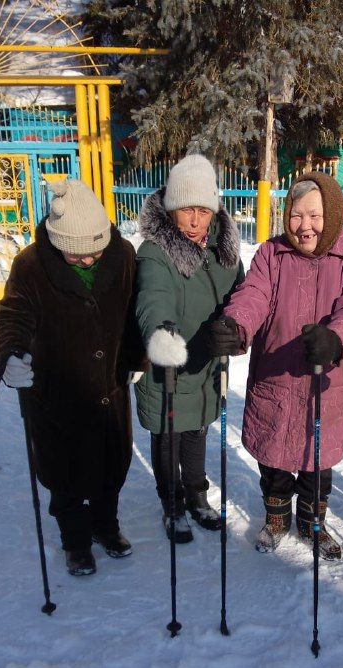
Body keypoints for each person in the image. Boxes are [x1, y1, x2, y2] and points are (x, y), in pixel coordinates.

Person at [209, 171, 343, 560]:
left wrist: (335, 338)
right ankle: (276, 518)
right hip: (276, 376)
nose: (305, 226)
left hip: (324, 377)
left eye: (314, 215)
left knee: (317, 462)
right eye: (297, 215)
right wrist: (236, 325)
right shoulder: (272, 253)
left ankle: (312, 523)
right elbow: (254, 295)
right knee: (274, 456)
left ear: (331, 213)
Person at [0, 179, 145, 576]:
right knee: (64, 475)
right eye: (78, 255)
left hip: (109, 387)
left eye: (96, 250)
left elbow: (134, 312)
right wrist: (10, 354)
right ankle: (75, 542)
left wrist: (142, 353)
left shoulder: (123, 254)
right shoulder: (31, 264)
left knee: (111, 466)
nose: (90, 260)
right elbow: (11, 315)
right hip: (56, 394)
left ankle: (106, 528)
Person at [133, 154, 243, 543]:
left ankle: (196, 495)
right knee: (168, 437)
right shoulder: (154, 252)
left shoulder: (225, 255)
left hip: (206, 365)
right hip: (167, 363)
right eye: (185, 210)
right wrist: (161, 333)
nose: (195, 221)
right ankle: (172, 503)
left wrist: (237, 329)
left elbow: (242, 299)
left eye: (202, 210)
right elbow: (153, 296)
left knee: (196, 432)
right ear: (170, 209)